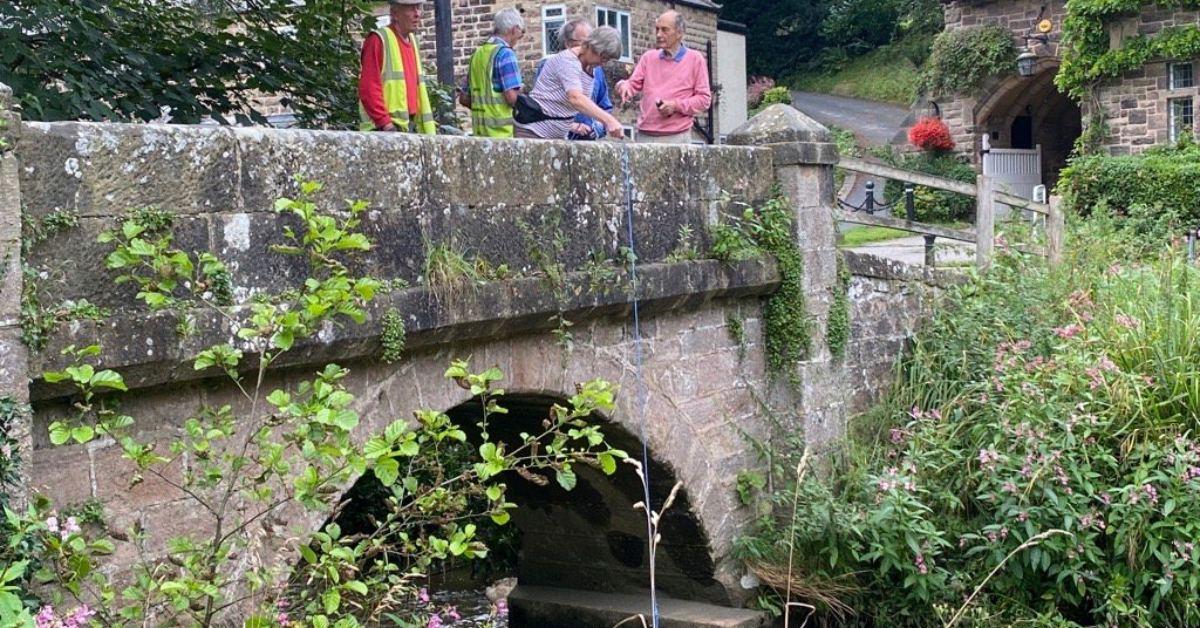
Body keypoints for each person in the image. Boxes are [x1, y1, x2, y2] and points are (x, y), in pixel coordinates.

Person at [616, 11, 712, 144]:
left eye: (664, 30)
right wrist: (623, 85)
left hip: (677, 137)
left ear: (679, 33)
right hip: (644, 135)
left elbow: (704, 99)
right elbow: (631, 85)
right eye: (657, 29)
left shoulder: (695, 59)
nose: (659, 34)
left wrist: (675, 106)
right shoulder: (648, 57)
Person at [514, 27, 625, 140]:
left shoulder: (591, 68)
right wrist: (609, 120)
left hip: (558, 135)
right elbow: (575, 98)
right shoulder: (568, 61)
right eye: (604, 58)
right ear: (594, 47)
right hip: (534, 131)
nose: (603, 63)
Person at [358, 0, 437, 134]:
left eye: (418, 8)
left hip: (407, 126)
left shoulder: (412, 41)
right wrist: (386, 124)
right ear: (395, 13)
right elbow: (368, 88)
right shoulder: (378, 40)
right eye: (411, 9)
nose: (417, 14)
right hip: (385, 129)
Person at [537, 19, 614, 140]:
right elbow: (542, 107)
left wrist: (596, 128)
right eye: (585, 42)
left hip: (586, 142)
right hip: (550, 136)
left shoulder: (596, 69)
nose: (591, 47)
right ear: (568, 44)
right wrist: (572, 127)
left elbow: (605, 106)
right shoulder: (554, 63)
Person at [459, 9, 525, 137]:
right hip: (502, 136)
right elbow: (512, 98)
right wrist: (522, 91)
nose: (519, 37)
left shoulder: (477, 54)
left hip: (479, 134)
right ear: (514, 29)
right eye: (520, 32)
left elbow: (464, 98)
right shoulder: (506, 54)